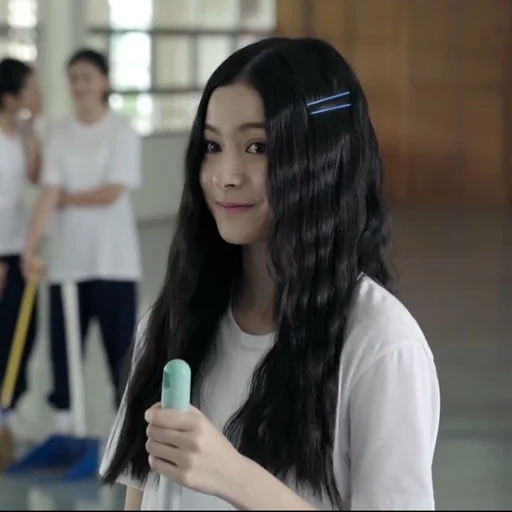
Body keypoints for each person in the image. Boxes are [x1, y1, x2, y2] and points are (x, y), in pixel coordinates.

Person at [100, 37, 441, 510]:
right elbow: (140, 497)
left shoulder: (381, 346)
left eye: (257, 147)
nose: (226, 175)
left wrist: (235, 478)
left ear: (323, 158)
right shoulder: (169, 323)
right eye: (213, 146)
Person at [23, 48, 142, 434]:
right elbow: (48, 192)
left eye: (87, 77)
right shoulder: (61, 134)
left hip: (113, 261)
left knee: (119, 351)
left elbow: (112, 192)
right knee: (63, 350)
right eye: (73, 78)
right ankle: (65, 427)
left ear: (104, 82)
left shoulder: (121, 132)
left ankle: (127, 430)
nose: (79, 85)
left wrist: (66, 199)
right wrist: (31, 244)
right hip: (67, 262)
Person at [0, 57, 42, 435]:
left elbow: (35, 175)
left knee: (24, 328)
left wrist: (32, 131)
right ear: (10, 95)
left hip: (17, 245)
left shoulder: (21, 132)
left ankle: (9, 404)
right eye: (30, 86)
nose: (36, 92)